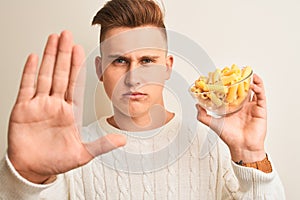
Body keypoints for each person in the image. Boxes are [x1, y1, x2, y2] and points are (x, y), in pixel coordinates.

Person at [0, 0, 285, 199]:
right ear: (100, 69)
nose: (133, 77)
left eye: (147, 60)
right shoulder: (70, 151)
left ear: (168, 66)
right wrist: (29, 178)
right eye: (120, 61)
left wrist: (250, 156)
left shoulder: (214, 145)